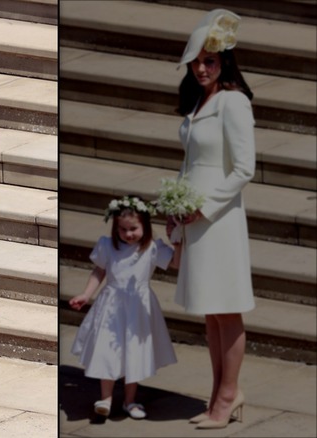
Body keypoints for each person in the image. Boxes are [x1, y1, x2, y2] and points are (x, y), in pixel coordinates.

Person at [170, 8, 256, 429]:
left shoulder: (233, 102)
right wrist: (177, 213)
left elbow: (244, 169)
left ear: (224, 62)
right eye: (197, 61)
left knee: (227, 308)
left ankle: (228, 394)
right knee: (210, 312)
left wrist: (203, 206)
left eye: (211, 61)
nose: (202, 68)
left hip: (219, 220)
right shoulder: (201, 101)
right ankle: (219, 390)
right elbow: (191, 165)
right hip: (194, 220)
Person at [69, 195, 180, 420]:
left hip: (138, 307)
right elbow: (99, 271)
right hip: (111, 306)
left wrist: (177, 236)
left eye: (133, 228)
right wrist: (86, 294)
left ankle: (130, 400)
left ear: (145, 226)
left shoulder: (151, 248)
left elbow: (175, 262)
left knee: (134, 353)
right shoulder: (108, 246)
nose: (128, 234)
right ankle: (106, 398)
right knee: (107, 351)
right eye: (123, 229)